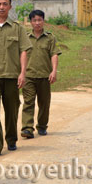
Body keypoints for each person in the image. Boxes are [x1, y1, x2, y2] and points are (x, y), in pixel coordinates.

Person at [0, 0, 32, 158]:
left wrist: (23, 73)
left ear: (10, 7)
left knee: (12, 111)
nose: (2, 7)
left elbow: (24, 51)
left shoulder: (18, 28)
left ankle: (11, 139)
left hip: (12, 76)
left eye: (5, 4)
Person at [21, 10, 61, 138]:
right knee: (28, 102)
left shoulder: (50, 38)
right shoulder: (25, 38)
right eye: (34, 20)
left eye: (39, 20)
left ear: (43, 21)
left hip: (45, 76)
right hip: (29, 76)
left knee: (44, 103)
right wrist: (21, 73)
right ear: (30, 22)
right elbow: (21, 56)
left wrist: (54, 71)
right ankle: (27, 128)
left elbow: (54, 54)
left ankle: (42, 126)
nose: (37, 23)